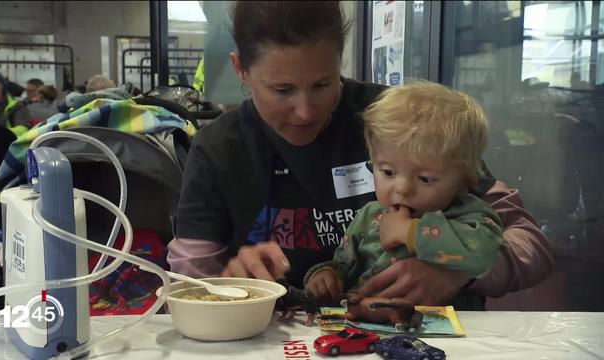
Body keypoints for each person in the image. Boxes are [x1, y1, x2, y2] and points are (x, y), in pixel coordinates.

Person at [168, 1, 554, 308]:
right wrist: (223, 286)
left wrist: (460, 273)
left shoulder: (401, 121)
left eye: (323, 83)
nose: (305, 111)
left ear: (341, 61)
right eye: (282, 90)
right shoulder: (217, 150)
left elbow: (529, 242)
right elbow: (188, 289)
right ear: (241, 70)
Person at [304, 82, 503, 307]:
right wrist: (327, 275)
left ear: (466, 178)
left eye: (425, 178)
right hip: (366, 326)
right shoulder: (369, 215)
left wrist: (411, 232)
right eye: (388, 172)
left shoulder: (470, 215)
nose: (402, 188)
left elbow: (483, 257)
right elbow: (343, 263)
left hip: (447, 334)